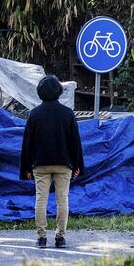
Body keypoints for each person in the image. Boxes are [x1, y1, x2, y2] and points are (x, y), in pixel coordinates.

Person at [20, 75, 84, 248]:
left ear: (40, 92)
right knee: (62, 199)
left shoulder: (34, 114)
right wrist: (77, 165)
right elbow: (75, 142)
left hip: (40, 164)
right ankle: (60, 237)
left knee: (41, 199)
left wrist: (26, 167)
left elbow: (27, 143)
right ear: (59, 91)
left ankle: (41, 238)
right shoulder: (67, 114)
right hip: (64, 164)